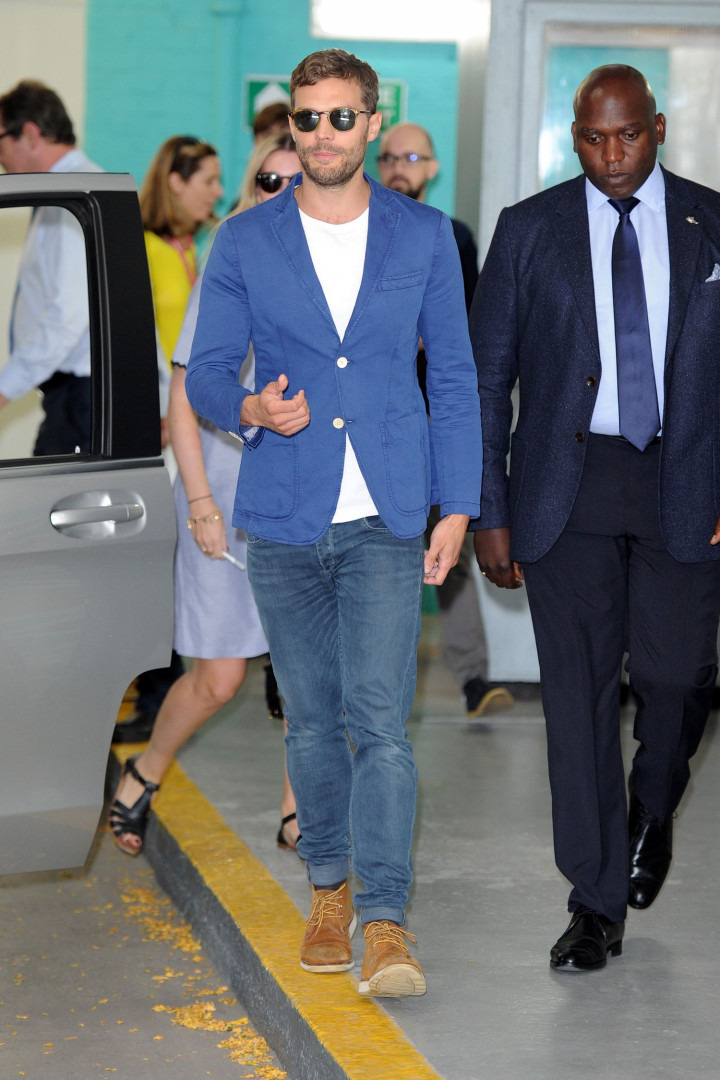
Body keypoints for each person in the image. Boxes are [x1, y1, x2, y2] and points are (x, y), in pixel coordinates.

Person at [186, 48, 482, 998]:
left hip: (388, 516)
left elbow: (458, 378)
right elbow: (204, 373)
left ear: (370, 121)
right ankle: (328, 891)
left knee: (380, 725)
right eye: (305, 119)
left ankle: (386, 920)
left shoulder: (424, 236)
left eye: (340, 117)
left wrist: (459, 504)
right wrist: (249, 409)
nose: (322, 134)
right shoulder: (246, 241)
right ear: (292, 130)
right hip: (284, 514)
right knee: (311, 723)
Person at [470, 64, 720, 973]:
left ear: (659, 128)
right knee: (576, 701)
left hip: (686, 482)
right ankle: (593, 902)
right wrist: (488, 508)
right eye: (593, 138)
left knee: (678, 678)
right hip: (564, 490)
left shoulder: (710, 220)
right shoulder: (528, 229)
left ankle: (654, 801)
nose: (612, 155)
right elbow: (486, 378)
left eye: (629, 135)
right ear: (574, 136)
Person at [109, 131, 303, 856]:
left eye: (299, 181)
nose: (283, 194)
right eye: (269, 181)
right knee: (218, 679)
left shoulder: (336, 269)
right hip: (219, 491)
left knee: (304, 674)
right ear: (254, 190)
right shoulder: (230, 263)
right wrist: (199, 505)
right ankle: (145, 771)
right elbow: (185, 396)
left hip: (301, 499)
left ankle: (296, 809)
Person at [378, 122, 514, 718]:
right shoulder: (359, 227)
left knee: (446, 547)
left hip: (434, 423)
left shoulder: (451, 236)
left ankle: (472, 678)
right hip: (374, 423)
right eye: (389, 157)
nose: (398, 167)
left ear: (432, 168)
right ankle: (380, 690)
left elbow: (463, 332)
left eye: (411, 157)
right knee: (379, 555)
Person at [113, 135, 224, 745]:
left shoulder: (193, 247)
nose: (217, 193)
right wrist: (158, 411)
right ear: (175, 182)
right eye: (208, 181)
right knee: (158, 562)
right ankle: (152, 691)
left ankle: (160, 689)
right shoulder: (148, 249)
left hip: (188, 421)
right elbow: (146, 343)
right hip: (164, 421)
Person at [0, 80, 101, 454]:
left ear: (29, 135)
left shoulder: (75, 196)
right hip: (73, 394)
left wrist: (5, 387)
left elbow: (68, 313)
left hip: (82, 397)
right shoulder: (63, 191)